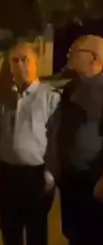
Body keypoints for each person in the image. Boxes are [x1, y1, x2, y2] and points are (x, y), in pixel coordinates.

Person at [0, 42, 58, 245]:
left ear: (36, 64)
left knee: (36, 230)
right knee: (9, 229)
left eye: (25, 60)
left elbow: (57, 138)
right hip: (8, 174)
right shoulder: (5, 96)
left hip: (36, 175)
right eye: (15, 61)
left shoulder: (50, 97)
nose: (20, 65)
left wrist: (50, 173)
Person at [48, 35, 103, 245]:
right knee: (73, 234)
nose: (69, 54)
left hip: (94, 181)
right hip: (70, 180)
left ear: (94, 57)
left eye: (75, 50)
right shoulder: (71, 88)